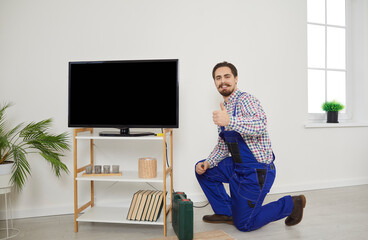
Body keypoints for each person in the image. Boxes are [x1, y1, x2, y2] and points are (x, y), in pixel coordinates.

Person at [195, 61, 306, 232]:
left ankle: (292, 203)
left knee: (245, 224)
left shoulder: (245, 100)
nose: (222, 81)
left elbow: (260, 124)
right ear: (215, 82)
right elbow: (223, 147)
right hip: (237, 167)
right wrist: (208, 163)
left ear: (236, 79)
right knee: (204, 171)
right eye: (218, 78)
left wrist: (230, 121)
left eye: (227, 76)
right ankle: (227, 212)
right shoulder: (224, 108)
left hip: (257, 171)